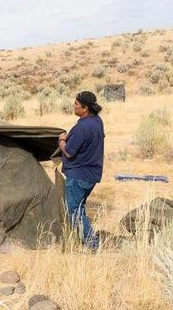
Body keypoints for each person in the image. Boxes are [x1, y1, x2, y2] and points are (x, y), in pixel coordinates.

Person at [58, 91, 104, 250]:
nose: (73, 106)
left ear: (85, 109)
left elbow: (69, 152)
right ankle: (84, 239)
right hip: (92, 174)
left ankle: (92, 244)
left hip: (78, 175)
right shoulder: (97, 121)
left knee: (73, 211)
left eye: (76, 104)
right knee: (79, 207)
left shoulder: (82, 127)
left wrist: (62, 139)